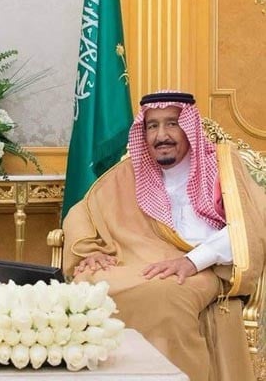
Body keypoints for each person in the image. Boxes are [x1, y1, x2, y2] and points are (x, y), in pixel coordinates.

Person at [63, 91, 266, 381]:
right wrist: (90, 250)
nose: (162, 136)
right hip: (139, 262)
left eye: (172, 123)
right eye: (152, 126)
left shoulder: (222, 166)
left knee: (166, 297)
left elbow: (252, 223)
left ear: (189, 127)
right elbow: (81, 212)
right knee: (88, 286)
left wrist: (193, 261)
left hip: (202, 268)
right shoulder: (129, 172)